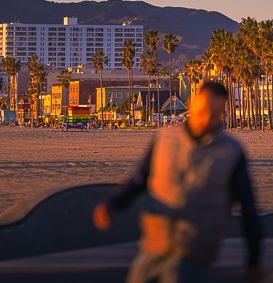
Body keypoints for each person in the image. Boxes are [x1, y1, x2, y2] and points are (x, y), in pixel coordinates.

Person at [93, 81, 263, 283]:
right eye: (204, 111)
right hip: (154, 244)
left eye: (216, 114)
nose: (207, 119)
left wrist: (253, 259)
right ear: (191, 105)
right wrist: (112, 205)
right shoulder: (164, 139)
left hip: (194, 252)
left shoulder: (231, 152)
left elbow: (248, 208)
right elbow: (139, 179)